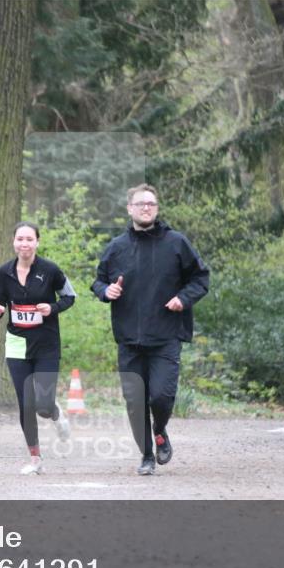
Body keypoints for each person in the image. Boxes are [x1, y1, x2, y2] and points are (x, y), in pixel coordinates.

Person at [91, 184, 210, 475]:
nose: (146, 207)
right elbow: (98, 281)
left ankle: (159, 429)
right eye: (140, 203)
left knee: (160, 396)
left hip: (166, 335)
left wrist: (183, 299)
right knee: (135, 402)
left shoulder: (176, 243)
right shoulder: (117, 247)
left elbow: (200, 278)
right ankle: (146, 455)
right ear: (129, 208)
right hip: (129, 338)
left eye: (151, 204)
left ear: (156, 209)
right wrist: (106, 291)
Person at [0, 221, 76, 475]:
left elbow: (70, 297)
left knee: (43, 405)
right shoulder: (4, 272)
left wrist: (53, 308)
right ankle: (35, 459)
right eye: (20, 239)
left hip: (46, 344)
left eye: (29, 239)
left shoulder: (50, 270)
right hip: (17, 344)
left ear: (37, 242)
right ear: (13, 242)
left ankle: (55, 412)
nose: (24, 243)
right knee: (26, 403)